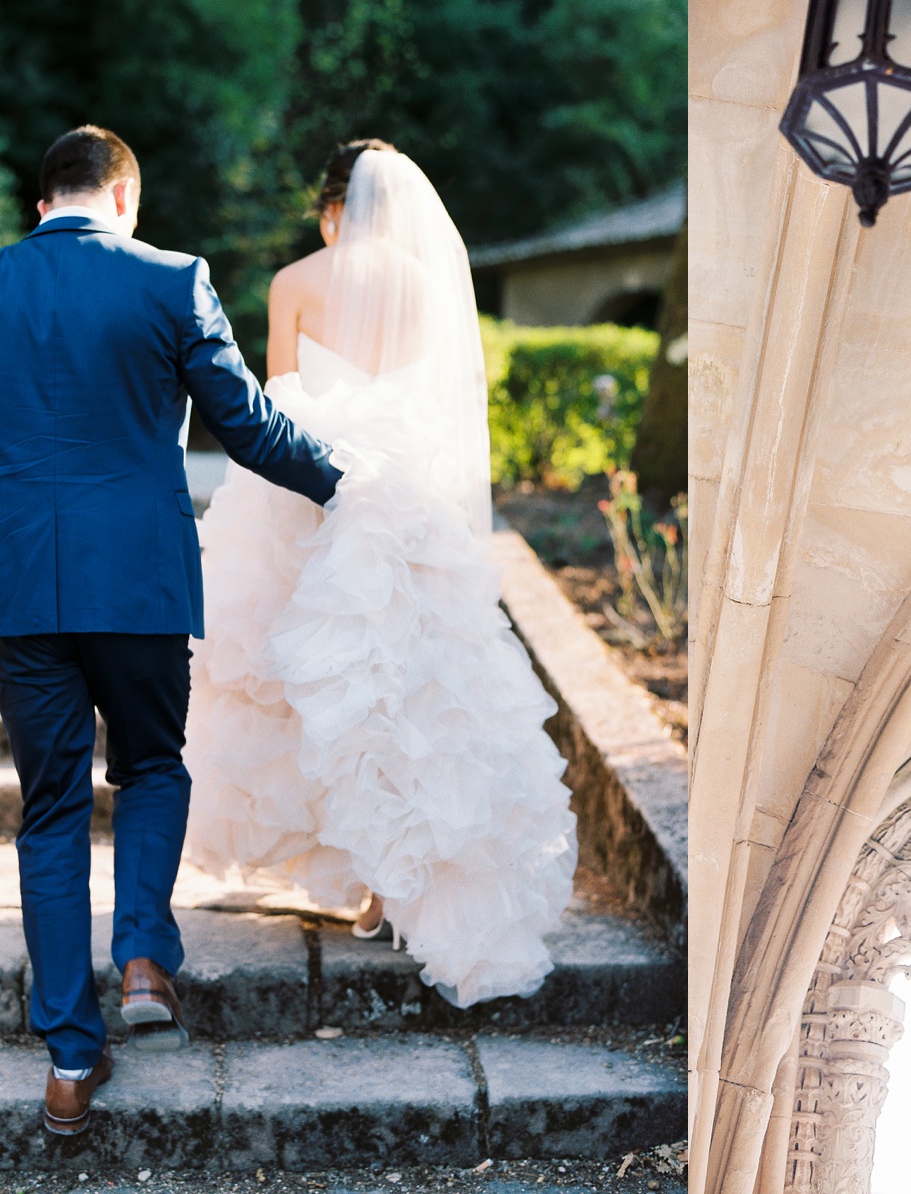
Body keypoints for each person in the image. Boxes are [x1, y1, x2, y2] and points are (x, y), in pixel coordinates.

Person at [0, 126, 342, 1135]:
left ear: (40, 200)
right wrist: (349, 487)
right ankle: (142, 960)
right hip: (137, 581)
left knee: (50, 806)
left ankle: (67, 1060)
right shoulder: (174, 281)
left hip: (14, 589)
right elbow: (251, 425)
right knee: (151, 765)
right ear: (124, 198)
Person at [183, 141, 578, 1009]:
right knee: (407, 689)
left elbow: (276, 402)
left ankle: (347, 862)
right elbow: (443, 403)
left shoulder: (294, 281)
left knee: (305, 686)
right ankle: (386, 882)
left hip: (309, 493)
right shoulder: (431, 283)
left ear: (331, 210)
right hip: (404, 495)